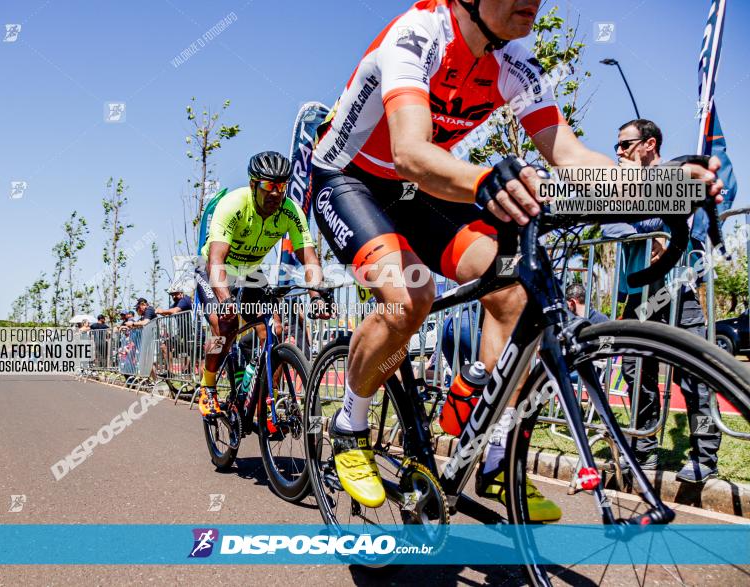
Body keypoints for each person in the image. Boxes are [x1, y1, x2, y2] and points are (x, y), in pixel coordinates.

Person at [309, 0, 724, 517]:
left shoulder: (517, 63)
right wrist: (485, 180)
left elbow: (569, 158)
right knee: (407, 298)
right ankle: (350, 426)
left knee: (516, 295)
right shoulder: (418, 36)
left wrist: (663, 188)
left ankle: (494, 457)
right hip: (351, 179)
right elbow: (410, 152)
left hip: (419, 189)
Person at [602, 118, 721, 483]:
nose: (619, 152)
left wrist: (651, 225)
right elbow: (610, 225)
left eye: (625, 144)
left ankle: (704, 456)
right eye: (617, 146)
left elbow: (669, 216)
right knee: (637, 373)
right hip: (638, 295)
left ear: (649, 143)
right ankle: (644, 451)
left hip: (676, 289)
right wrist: (652, 234)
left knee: (696, 372)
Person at [194, 150, 330, 417]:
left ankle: (270, 401)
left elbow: (310, 258)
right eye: (269, 185)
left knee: (274, 330)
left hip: (250, 272)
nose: (276, 193)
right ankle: (207, 387)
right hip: (214, 270)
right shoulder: (233, 205)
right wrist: (225, 300)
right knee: (226, 325)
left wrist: (317, 294)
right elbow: (216, 260)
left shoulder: (290, 211)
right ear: (253, 185)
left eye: (282, 186)